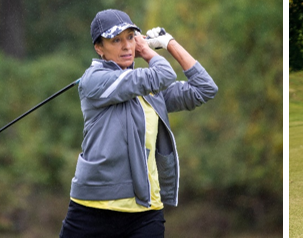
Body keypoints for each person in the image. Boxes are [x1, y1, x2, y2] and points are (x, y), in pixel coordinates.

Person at [62, 9, 217, 237]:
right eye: (116, 40)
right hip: (92, 209)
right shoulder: (94, 80)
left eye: (130, 37)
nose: (126, 46)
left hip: (146, 211)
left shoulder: (150, 91)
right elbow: (162, 75)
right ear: (99, 48)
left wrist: (170, 43)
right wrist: (146, 51)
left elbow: (205, 88)